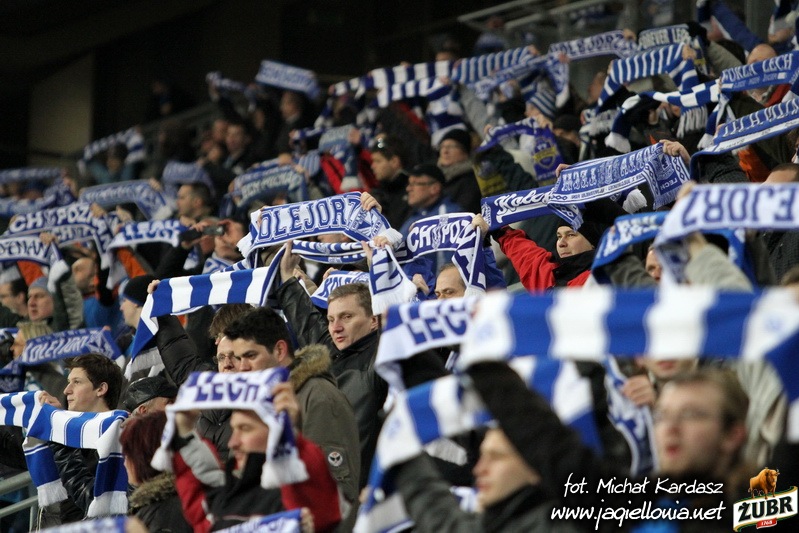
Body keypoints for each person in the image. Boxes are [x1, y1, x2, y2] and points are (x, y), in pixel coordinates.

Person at [464, 363, 750, 531]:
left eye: (691, 414)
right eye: (662, 415)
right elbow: (557, 452)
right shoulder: (645, 499)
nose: (671, 428)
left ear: (733, 435)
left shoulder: (762, 505)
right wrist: (485, 363)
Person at [224, 306, 361, 522]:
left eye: (250, 356)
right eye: (238, 358)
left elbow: (337, 489)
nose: (242, 368)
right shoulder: (254, 403)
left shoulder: (319, 398)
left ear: (279, 351)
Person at [276, 262, 387, 489]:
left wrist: (384, 275)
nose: (335, 327)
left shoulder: (381, 359)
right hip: (323, 486)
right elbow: (306, 321)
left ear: (374, 321)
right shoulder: (331, 351)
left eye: (346, 317)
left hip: (360, 491)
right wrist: (287, 278)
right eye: (331, 319)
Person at [170, 382, 339, 531]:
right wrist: (185, 435)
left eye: (245, 428)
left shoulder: (295, 491)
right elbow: (200, 511)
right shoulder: (229, 495)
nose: (232, 442)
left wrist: (288, 437)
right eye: (234, 429)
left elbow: (316, 507)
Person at [392, 427, 581, 532]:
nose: (479, 469)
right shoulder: (491, 523)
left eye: (496, 456)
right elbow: (437, 513)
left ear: (535, 469)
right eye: (482, 456)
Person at [41, 353, 125, 526]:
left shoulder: (122, 437)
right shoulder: (68, 431)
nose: (66, 390)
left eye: (77, 382)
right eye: (68, 381)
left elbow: (98, 505)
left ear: (101, 389)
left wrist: (58, 428)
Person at [119, 411, 192, 533]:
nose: (124, 463)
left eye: (128, 455)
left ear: (148, 456)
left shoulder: (166, 513)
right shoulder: (168, 500)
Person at [368, 135, 411, 229]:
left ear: (394, 162)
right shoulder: (378, 193)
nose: (373, 166)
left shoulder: (413, 189)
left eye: (378, 161)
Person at [436, 128, 482, 214]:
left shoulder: (471, 180)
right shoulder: (434, 179)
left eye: (452, 146)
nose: (445, 151)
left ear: (465, 153)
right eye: (442, 147)